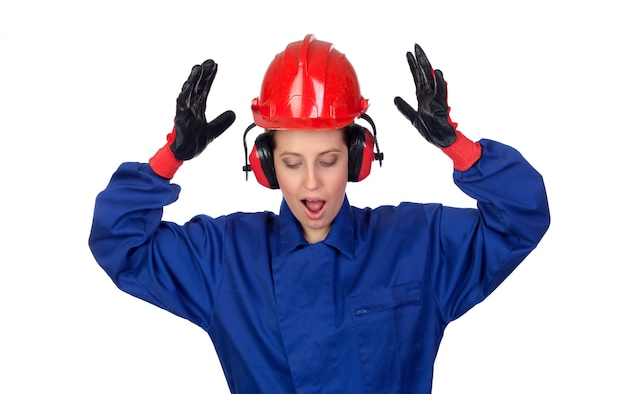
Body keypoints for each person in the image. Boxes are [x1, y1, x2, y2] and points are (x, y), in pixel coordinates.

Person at [89, 34, 550, 393]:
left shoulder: (416, 242)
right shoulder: (225, 257)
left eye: (328, 160)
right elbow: (120, 243)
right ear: (266, 166)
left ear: (358, 157)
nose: (311, 183)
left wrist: (459, 147)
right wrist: (170, 157)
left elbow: (521, 216)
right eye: (292, 163)